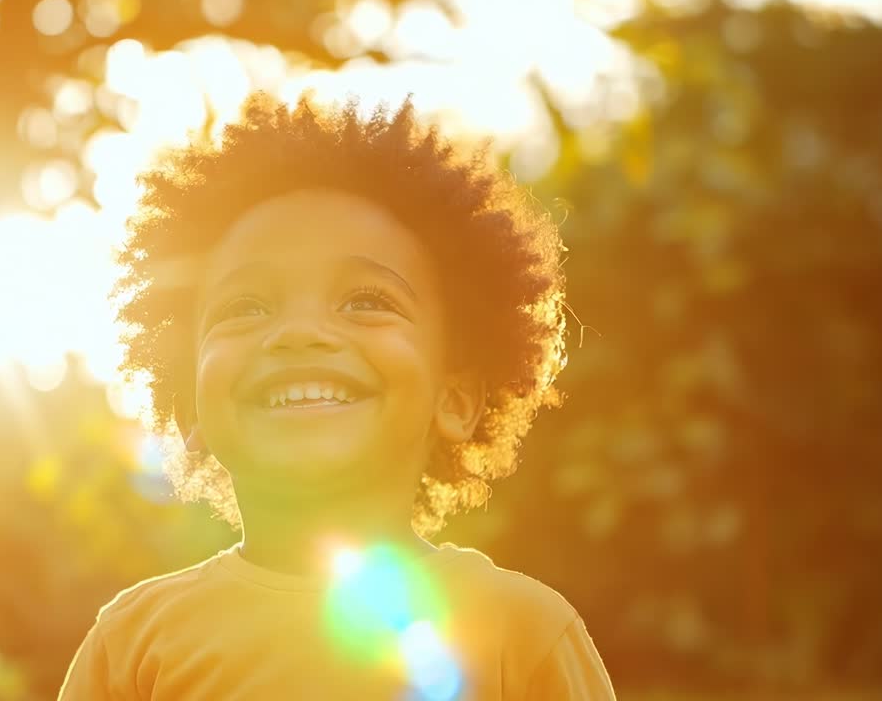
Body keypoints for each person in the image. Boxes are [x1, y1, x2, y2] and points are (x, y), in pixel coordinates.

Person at [59, 92, 616, 700]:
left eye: (365, 301)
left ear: (454, 396)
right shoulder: (132, 645)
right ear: (189, 407)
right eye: (246, 307)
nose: (298, 333)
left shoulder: (525, 633)